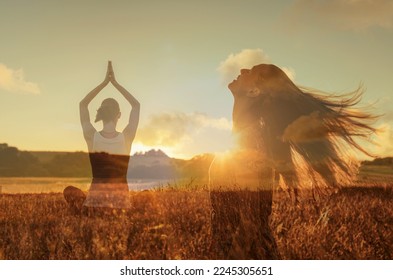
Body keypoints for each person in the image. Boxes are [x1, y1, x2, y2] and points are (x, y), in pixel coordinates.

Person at [209, 64, 377, 259]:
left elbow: (250, 229)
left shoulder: (251, 150)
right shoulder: (244, 145)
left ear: (254, 91)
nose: (243, 70)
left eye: (251, 72)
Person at [64, 61, 140, 215]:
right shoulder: (126, 137)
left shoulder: (91, 136)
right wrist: (115, 83)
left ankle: (79, 211)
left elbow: (83, 104)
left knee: (69, 191)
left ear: (100, 113)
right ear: (119, 115)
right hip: (120, 208)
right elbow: (136, 106)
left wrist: (104, 83)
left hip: (94, 208)